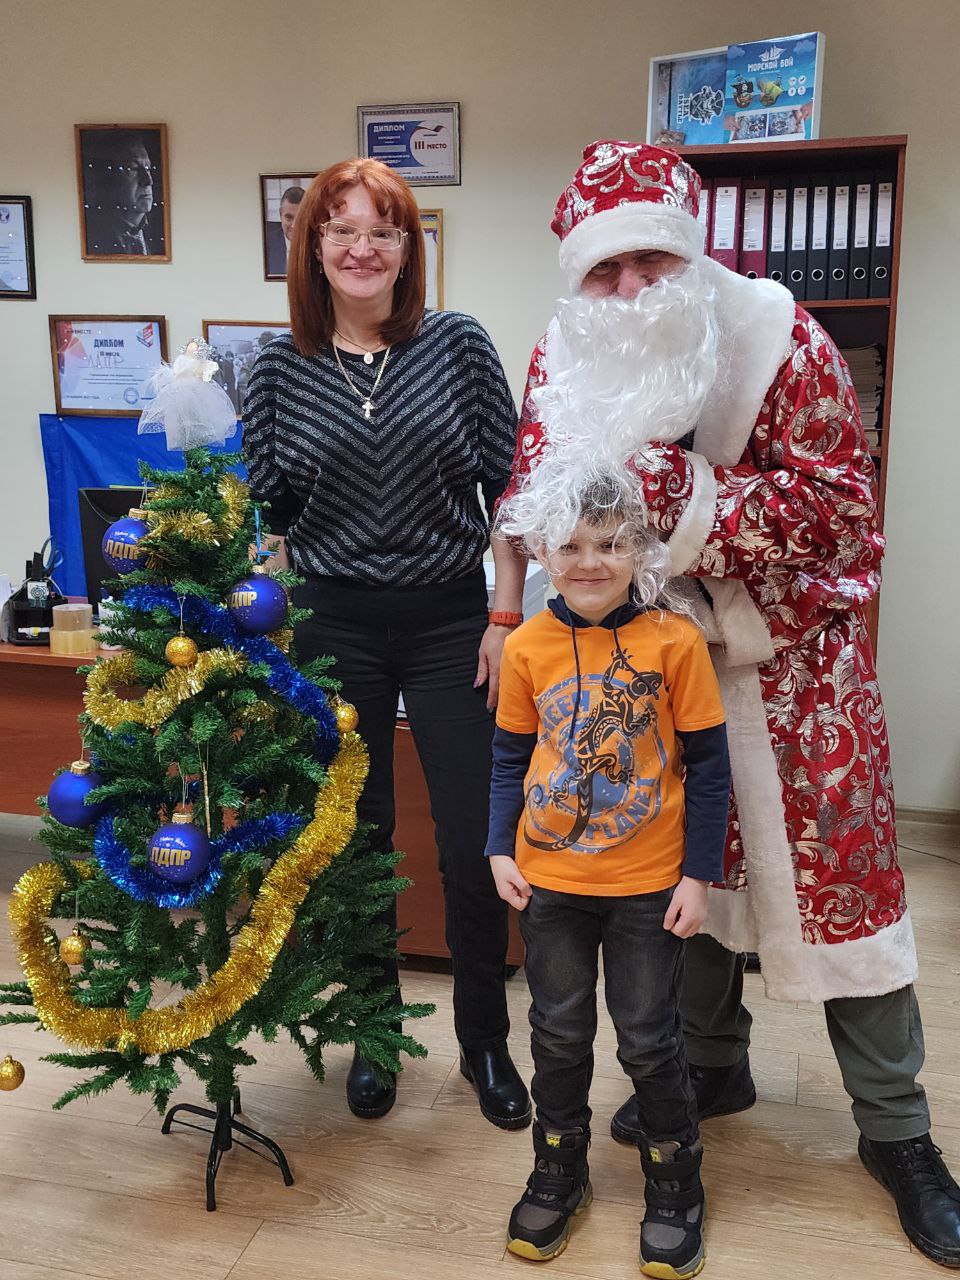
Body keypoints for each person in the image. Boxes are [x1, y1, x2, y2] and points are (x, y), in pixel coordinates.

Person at [497, 138, 960, 1268]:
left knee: (844, 891)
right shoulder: (562, 353)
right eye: (604, 270)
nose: (628, 289)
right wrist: (519, 603)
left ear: (690, 255)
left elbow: (843, 511)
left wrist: (683, 490)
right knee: (679, 874)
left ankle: (898, 1131)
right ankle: (710, 1065)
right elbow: (529, 495)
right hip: (639, 671)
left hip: (794, 669)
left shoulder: (779, 336)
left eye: (650, 261)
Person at [243, 157, 531, 1130]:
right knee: (357, 836)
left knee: (472, 835)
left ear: (408, 250)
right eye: (342, 229)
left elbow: (511, 490)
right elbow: (269, 519)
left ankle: (484, 1040)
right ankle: (374, 1031)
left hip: (453, 619)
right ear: (313, 247)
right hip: (334, 624)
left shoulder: (457, 344)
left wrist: (505, 616)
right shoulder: (276, 367)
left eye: (382, 230)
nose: (361, 247)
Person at [487, 474, 730, 1276]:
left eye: (610, 544)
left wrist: (698, 876)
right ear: (542, 552)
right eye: (570, 545)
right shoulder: (526, 646)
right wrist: (498, 848)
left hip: (647, 887)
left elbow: (709, 766)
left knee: (650, 1040)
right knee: (557, 1035)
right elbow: (508, 758)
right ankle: (558, 1168)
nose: (589, 562)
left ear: (639, 550)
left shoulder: (676, 643)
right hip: (549, 884)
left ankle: (674, 1181)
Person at [81, 129, 160, 256]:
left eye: (148, 168)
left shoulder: (161, 232)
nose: (148, 181)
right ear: (107, 177)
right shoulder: (91, 236)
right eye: (133, 168)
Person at [265, 185, 305, 276]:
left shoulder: (318, 245)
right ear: (280, 215)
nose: (294, 225)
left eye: (300, 218)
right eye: (288, 218)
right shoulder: (267, 243)